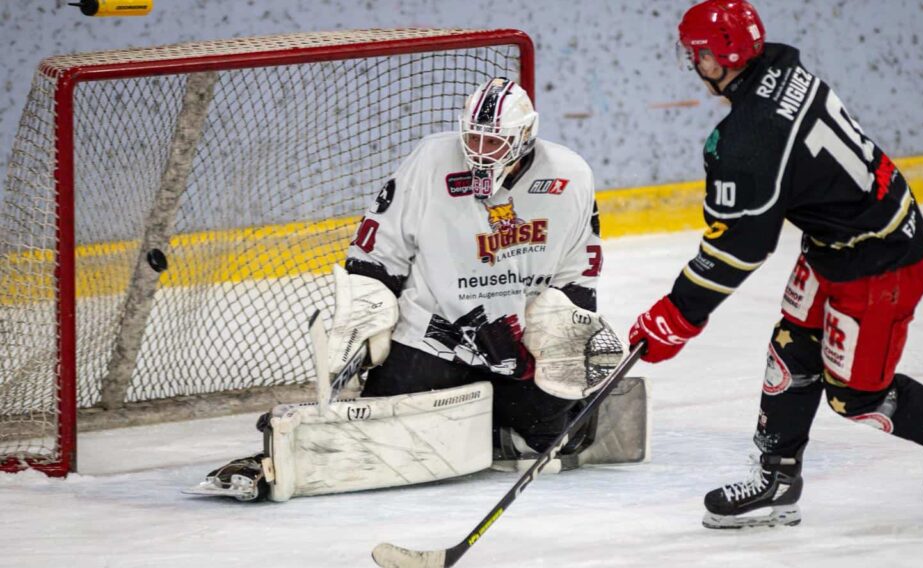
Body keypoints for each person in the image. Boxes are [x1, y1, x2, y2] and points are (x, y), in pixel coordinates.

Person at [628, 0, 923, 528]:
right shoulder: (782, 68)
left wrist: (677, 315)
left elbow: (738, 249)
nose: (693, 65)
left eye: (696, 55)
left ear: (720, 58)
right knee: (792, 347)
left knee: (857, 395)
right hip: (840, 240)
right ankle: (777, 480)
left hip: (881, 264)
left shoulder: (747, 141)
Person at [189, 78, 643, 502]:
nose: (479, 152)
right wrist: (365, 313)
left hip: (519, 350)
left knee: (548, 438)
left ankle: (498, 426)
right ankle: (276, 462)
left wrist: (560, 335)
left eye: (493, 142)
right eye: (473, 138)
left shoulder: (570, 175)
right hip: (433, 339)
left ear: (524, 137)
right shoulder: (431, 161)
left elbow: (579, 270)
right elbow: (378, 247)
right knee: (376, 439)